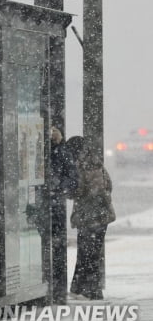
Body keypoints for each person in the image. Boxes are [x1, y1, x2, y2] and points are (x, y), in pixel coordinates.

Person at [66, 136, 115, 300]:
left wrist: (71, 190)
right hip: (100, 216)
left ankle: (91, 290)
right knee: (90, 252)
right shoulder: (95, 161)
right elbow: (109, 184)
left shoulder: (84, 165)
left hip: (91, 217)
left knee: (88, 253)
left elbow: (80, 190)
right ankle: (82, 287)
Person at [48, 126, 79, 303]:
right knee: (53, 246)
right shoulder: (53, 151)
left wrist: (57, 188)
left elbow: (73, 179)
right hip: (50, 205)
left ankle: (57, 289)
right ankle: (54, 288)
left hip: (54, 206)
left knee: (56, 247)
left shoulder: (62, 152)